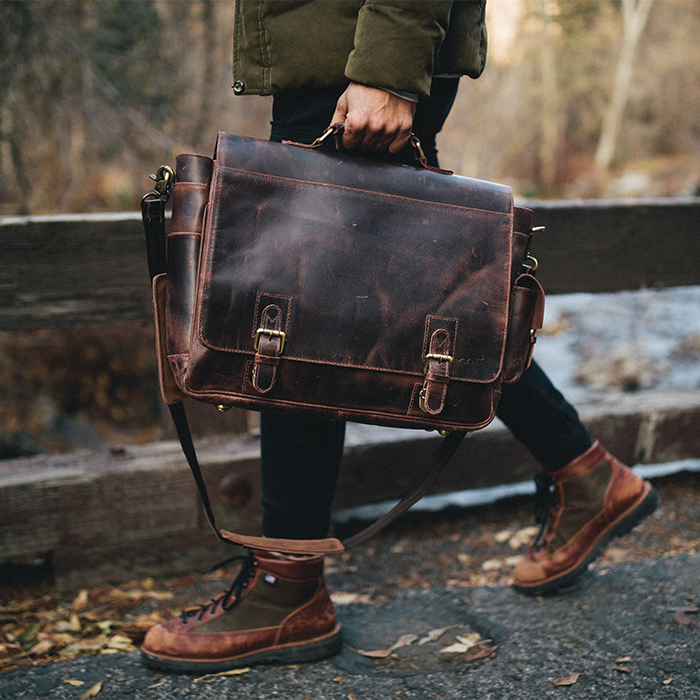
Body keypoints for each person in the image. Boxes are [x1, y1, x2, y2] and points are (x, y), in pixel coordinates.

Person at [140, 0, 659, 673]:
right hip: (348, 44)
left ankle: (286, 587)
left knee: (305, 283)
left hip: (357, 45)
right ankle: (587, 475)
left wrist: (387, 68)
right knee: (396, 273)